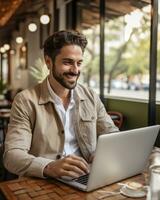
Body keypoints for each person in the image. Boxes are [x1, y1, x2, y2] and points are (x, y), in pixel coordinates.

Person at [3, 30, 119, 179]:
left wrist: (102, 153)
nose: (75, 70)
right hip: (41, 183)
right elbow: (12, 156)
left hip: (86, 178)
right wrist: (48, 166)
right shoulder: (25, 101)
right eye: (67, 62)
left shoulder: (90, 96)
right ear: (48, 62)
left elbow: (112, 134)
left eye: (79, 63)